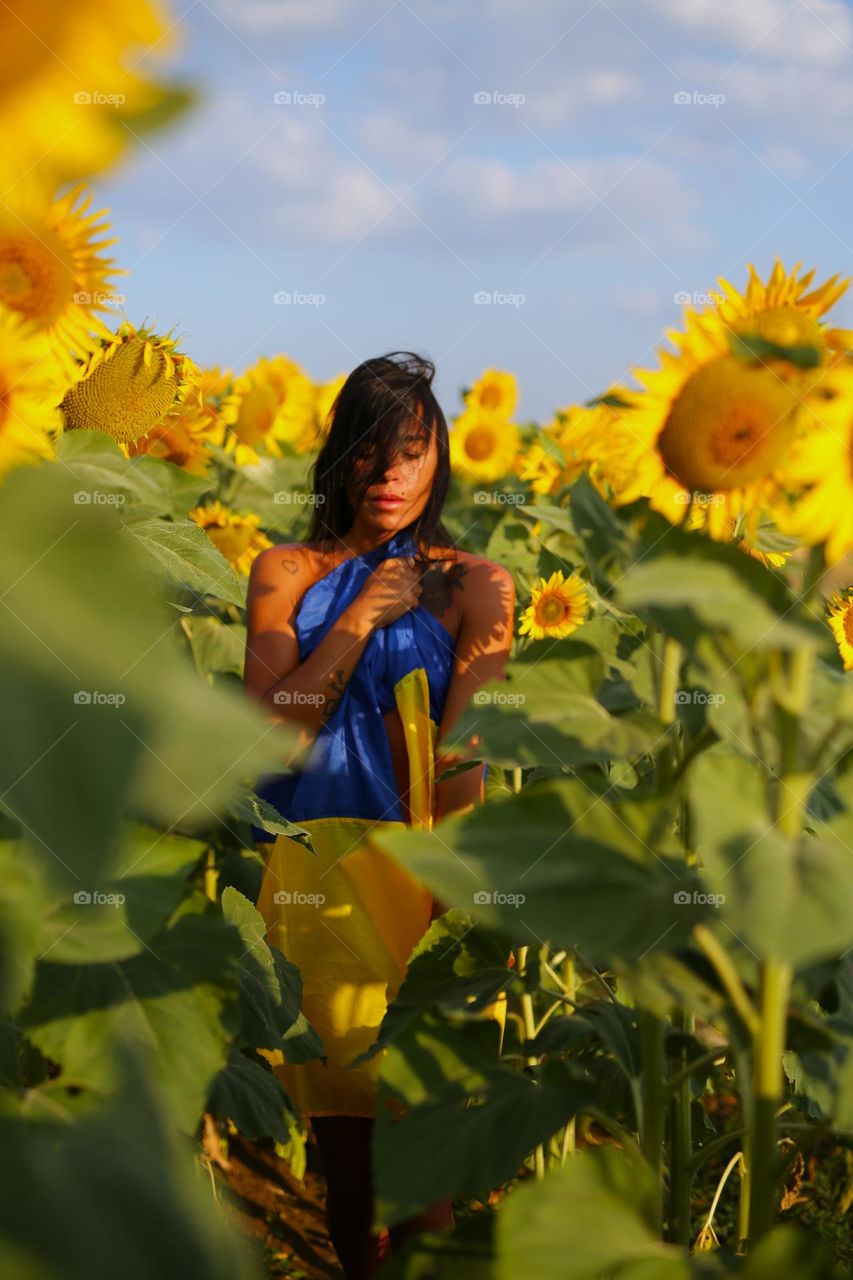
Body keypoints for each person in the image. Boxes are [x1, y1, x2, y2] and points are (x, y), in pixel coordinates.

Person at [243, 351, 514, 1279]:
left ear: (438, 458)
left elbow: (464, 758)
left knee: (427, 1157)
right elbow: (268, 739)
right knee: (350, 1169)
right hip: (314, 877)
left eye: (411, 450)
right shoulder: (285, 571)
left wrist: (458, 914)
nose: (391, 474)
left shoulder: (478, 585)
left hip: (420, 880)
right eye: (370, 452)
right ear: (340, 460)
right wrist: (357, 618)